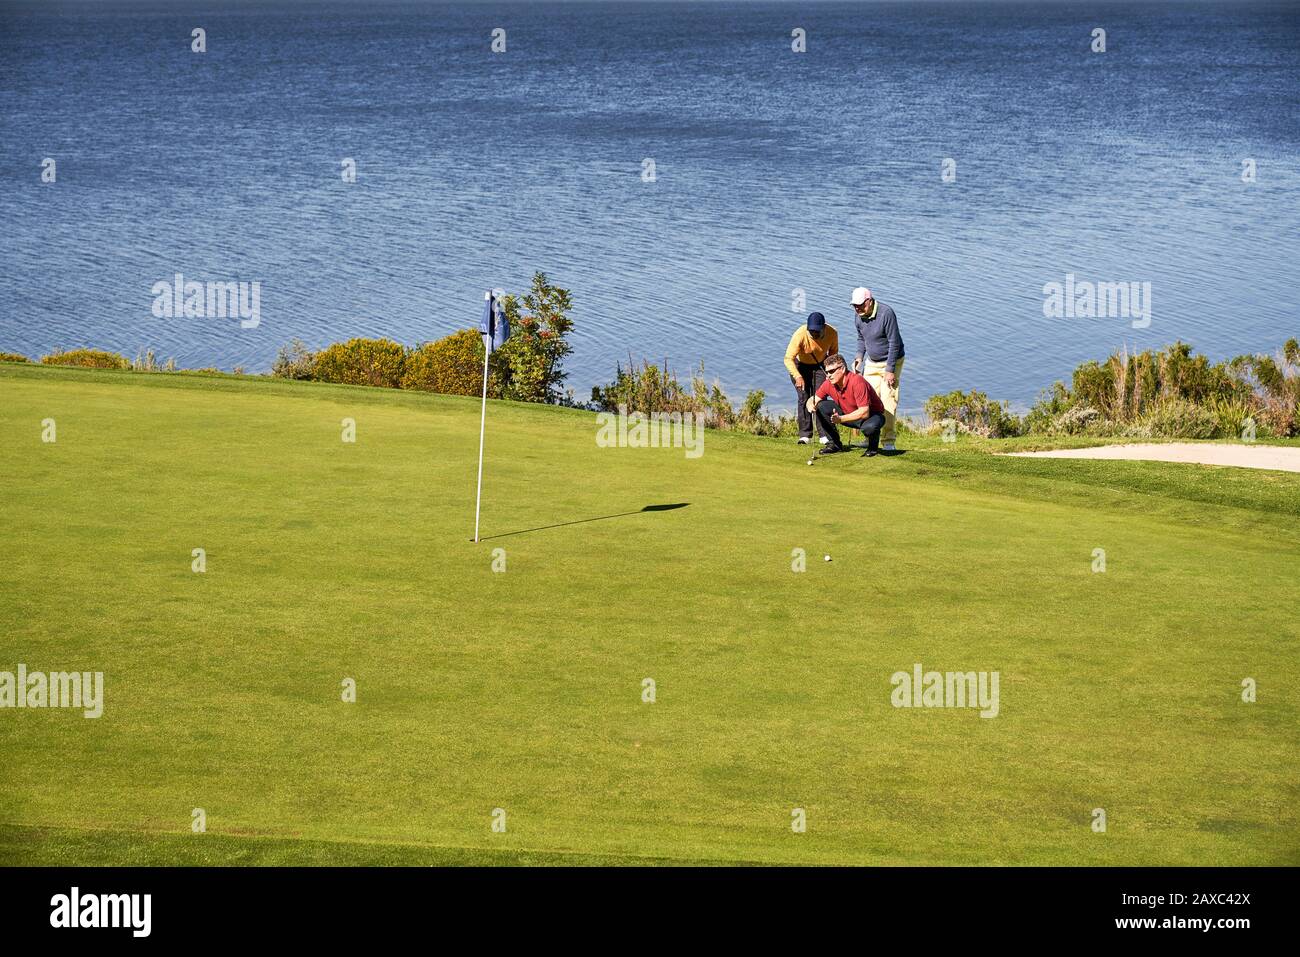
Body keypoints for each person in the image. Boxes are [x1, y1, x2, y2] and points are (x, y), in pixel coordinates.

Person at [849, 287, 905, 451]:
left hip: (892, 361)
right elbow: (861, 339)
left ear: (869, 301)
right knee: (868, 402)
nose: (857, 308)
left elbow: (894, 343)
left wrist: (890, 370)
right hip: (872, 362)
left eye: (860, 305)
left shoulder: (886, 313)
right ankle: (869, 438)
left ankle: (888, 441)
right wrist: (859, 357)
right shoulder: (858, 316)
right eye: (854, 306)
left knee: (888, 401)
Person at [806, 353, 886, 456]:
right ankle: (834, 444)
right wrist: (810, 405)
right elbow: (813, 399)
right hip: (849, 414)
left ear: (842, 369)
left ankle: (872, 448)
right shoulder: (829, 383)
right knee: (821, 406)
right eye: (827, 372)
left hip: (872, 416)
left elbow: (864, 412)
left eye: (831, 371)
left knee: (869, 428)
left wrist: (841, 419)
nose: (828, 375)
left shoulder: (857, 381)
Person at [783, 311, 839, 445]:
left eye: (817, 331)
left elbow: (833, 354)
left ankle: (823, 435)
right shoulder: (800, 334)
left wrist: (830, 373)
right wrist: (797, 376)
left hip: (820, 365)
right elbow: (788, 358)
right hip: (800, 366)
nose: (813, 334)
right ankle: (805, 435)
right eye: (811, 331)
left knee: (819, 398)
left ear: (824, 328)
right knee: (803, 397)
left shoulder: (832, 333)